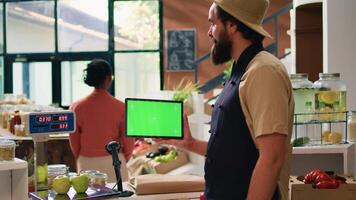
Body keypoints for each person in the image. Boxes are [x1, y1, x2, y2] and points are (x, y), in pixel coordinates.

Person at [166, 0, 294, 199]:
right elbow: (235, 152)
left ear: (233, 25)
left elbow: (272, 158)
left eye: (213, 23)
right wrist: (189, 144)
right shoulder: (241, 70)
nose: (209, 32)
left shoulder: (263, 71)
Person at [69, 59, 134, 182]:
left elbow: (74, 141)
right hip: (114, 161)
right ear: (109, 78)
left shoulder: (76, 107)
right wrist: (123, 157)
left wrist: (82, 157)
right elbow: (128, 141)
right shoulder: (121, 107)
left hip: (86, 163)